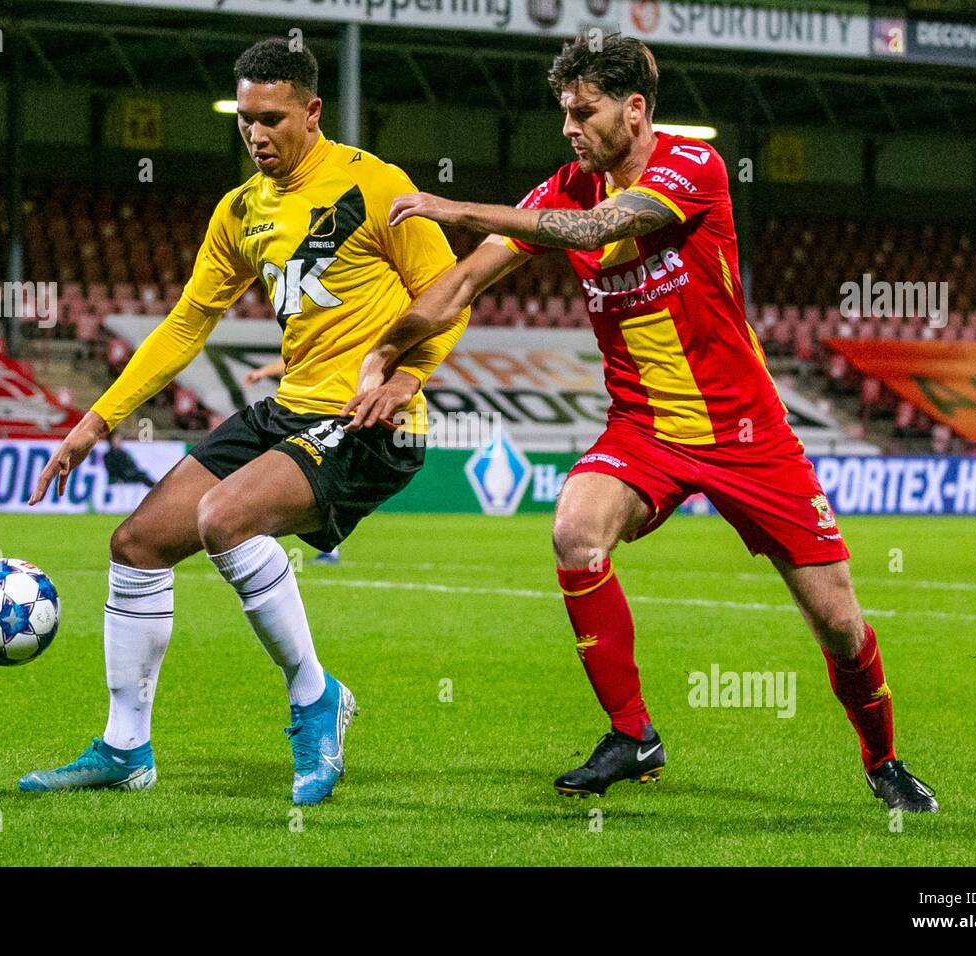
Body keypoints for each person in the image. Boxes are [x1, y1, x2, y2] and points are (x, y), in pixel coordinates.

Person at [345, 33, 936, 811]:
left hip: (747, 434)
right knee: (574, 532)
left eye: (583, 112)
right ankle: (633, 735)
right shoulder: (563, 187)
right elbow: (460, 286)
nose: (569, 129)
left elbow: (594, 232)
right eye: (563, 113)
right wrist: (384, 356)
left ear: (633, 109)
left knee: (837, 622)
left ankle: (883, 759)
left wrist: (453, 207)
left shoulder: (692, 167)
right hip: (643, 430)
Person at [18, 37, 468, 805]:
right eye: (243, 120)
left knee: (225, 518)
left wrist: (410, 375)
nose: (256, 135)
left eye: (270, 118)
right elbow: (188, 323)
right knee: (136, 543)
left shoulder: (373, 183)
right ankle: (126, 749)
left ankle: (314, 697)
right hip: (290, 411)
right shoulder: (240, 210)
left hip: (370, 420)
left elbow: (450, 288)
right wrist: (99, 420)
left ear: (311, 110)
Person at [247, 359, 341, 564]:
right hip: (306, 417)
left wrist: (261, 372)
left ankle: (261, 543)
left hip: (309, 418)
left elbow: (288, 360)